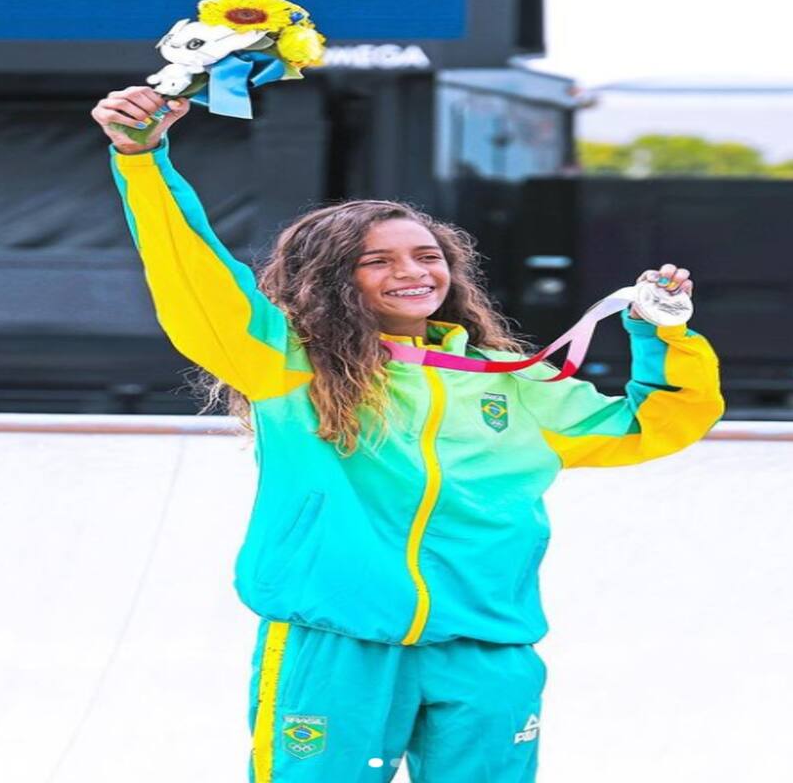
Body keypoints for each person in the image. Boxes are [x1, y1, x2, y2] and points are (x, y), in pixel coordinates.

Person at [92, 86, 724, 783]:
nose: (413, 273)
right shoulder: (286, 367)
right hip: (339, 643)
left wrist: (663, 333)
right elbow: (196, 283)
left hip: (488, 646)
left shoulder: (512, 382)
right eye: (378, 260)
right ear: (331, 280)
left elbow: (655, 425)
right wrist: (144, 159)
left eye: (427, 256)